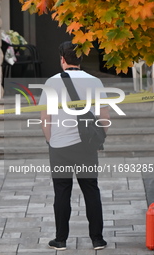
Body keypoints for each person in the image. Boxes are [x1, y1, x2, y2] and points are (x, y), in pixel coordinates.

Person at [39, 41, 110, 250]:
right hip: (86, 146)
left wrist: (50, 140)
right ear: (82, 57)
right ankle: (97, 239)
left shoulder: (51, 83)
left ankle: (60, 239)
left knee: (62, 192)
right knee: (91, 190)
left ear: (62, 59)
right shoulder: (95, 82)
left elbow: (45, 117)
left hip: (59, 146)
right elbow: (104, 116)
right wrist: (98, 139)